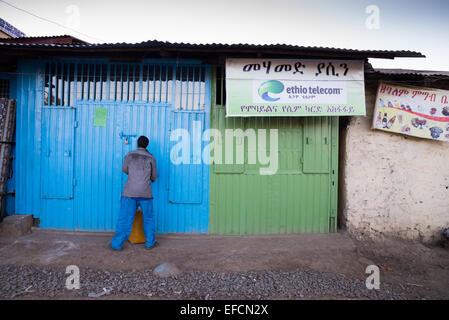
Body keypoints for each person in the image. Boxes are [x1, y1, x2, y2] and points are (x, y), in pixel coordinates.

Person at [111, 135, 158, 250]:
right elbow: (154, 176)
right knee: (148, 218)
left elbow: (124, 169)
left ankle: (116, 244)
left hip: (129, 193)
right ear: (146, 145)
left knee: (125, 218)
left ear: (137, 144)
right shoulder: (151, 158)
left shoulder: (130, 155)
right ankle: (150, 242)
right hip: (145, 193)